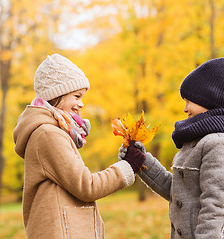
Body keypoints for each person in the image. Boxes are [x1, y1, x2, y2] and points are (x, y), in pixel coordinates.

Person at [13, 54, 145, 239]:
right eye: (77, 96)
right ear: (56, 95)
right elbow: (86, 186)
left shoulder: (52, 132)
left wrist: (126, 163)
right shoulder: (48, 134)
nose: (81, 104)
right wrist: (127, 167)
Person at [119, 58, 224, 239]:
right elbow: (178, 192)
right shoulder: (195, 143)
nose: (185, 108)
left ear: (209, 100)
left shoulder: (219, 145)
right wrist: (141, 161)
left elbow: (215, 205)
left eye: (190, 100)